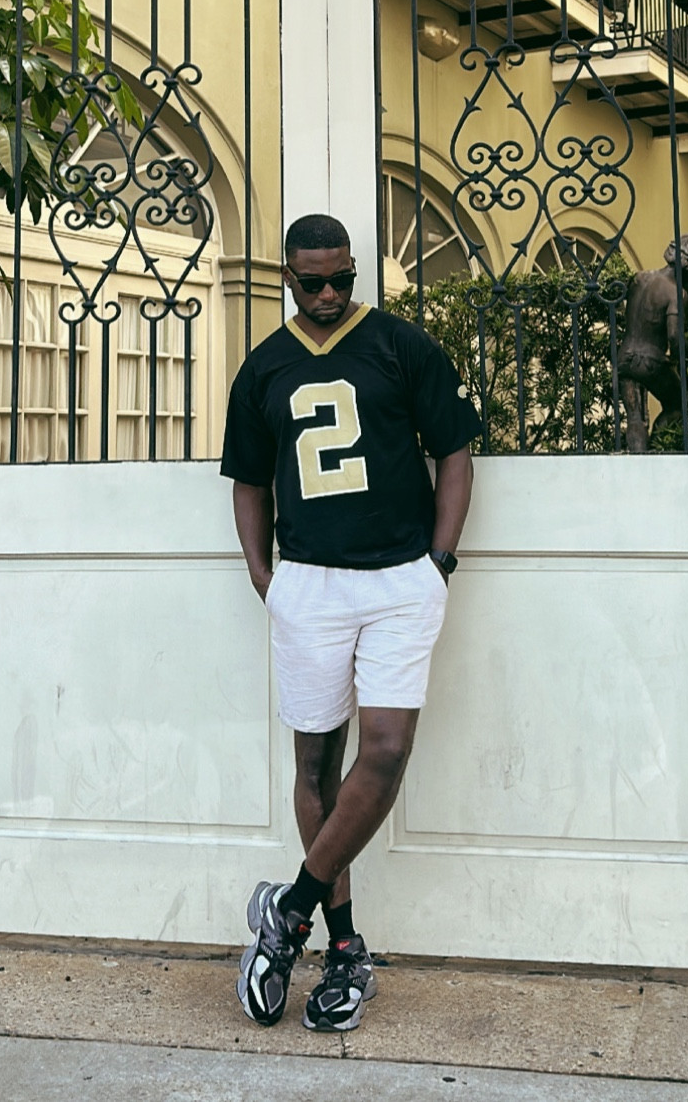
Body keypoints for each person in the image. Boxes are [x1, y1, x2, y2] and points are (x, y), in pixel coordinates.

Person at [219, 212, 479, 1033]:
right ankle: (343, 949)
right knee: (316, 765)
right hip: (310, 586)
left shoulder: (402, 346)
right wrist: (265, 577)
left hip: (400, 580)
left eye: (341, 279)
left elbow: (455, 451)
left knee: (387, 751)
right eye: (311, 281)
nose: (328, 295)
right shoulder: (263, 367)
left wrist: (438, 560)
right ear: (285, 276)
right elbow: (248, 480)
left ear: (355, 272)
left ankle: (286, 913)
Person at [616, 232, 688, 452]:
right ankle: (657, 451)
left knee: (634, 418)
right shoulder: (675, 293)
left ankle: (637, 463)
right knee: (677, 405)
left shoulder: (639, 278)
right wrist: (685, 359)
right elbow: (673, 336)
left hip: (624, 358)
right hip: (650, 362)